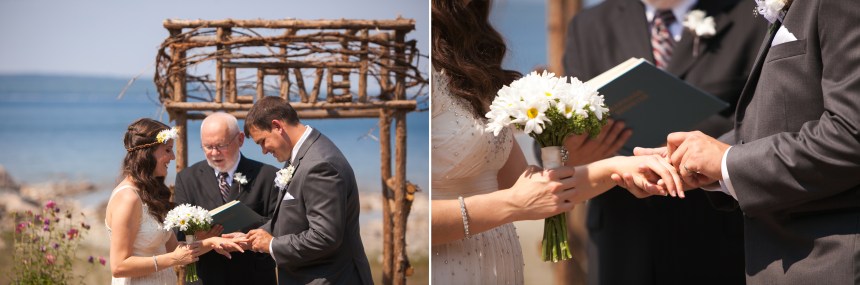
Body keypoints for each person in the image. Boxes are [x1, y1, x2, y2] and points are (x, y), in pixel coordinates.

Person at [430, 0, 681, 283]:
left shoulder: (471, 67)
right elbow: (412, 216)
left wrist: (620, 168)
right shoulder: (423, 73)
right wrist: (511, 205)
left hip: (499, 265)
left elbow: (534, 186)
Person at [618, 0, 860, 283]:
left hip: (834, 262)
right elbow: (785, 117)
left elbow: (849, 134)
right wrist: (691, 158)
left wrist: (726, 162)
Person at [562, 0, 767, 284]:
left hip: (718, 237)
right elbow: (556, 137)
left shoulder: (754, 13)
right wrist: (570, 152)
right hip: (622, 242)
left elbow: (769, 118)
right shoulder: (590, 25)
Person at [231, 96, 373, 284]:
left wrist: (272, 245)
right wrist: (252, 238)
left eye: (263, 141)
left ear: (277, 126)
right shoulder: (301, 154)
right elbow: (295, 219)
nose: (264, 151)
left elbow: (324, 237)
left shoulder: (320, 165)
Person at [105, 118, 245, 284]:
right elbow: (119, 266)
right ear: (148, 152)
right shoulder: (128, 198)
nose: (172, 157)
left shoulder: (149, 194)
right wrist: (173, 259)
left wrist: (213, 242)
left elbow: (175, 248)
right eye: (168, 150)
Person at [173, 112, 279, 285]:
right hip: (206, 277)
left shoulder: (268, 175)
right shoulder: (187, 178)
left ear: (240, 139)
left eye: (221, 145)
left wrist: (247, 237)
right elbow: (177, 232)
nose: (214, 153)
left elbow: (281, 224)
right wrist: (199, 235)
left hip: (254, 276)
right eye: (208, 146)